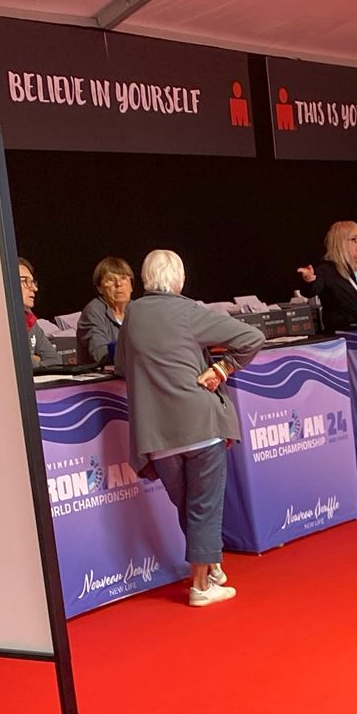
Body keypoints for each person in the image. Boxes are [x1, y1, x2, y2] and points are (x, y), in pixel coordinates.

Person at [115, 250, 264, 608]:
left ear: (146, 279)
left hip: (156, 435)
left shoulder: (133, 313)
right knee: (203, 508)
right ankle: (200, 586)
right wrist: (222, 369)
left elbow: (120, 365)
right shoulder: (188, 311)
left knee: (188, 507)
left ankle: (209, 566)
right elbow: (252, 337)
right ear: (178, 279)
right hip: (200, 425)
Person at [75, 257, 134, 369]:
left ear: (131, 286)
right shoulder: (93, 311)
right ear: (100, 288)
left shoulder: (137, 309)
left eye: (123, 278)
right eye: (110, 280)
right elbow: (100, 354)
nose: (118, 284)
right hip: (100, 377)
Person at [17, 258, 61, 371]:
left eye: (33, 282)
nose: (34, 288)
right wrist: (36, 360)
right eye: (25, 281)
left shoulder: (30, 319)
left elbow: (55, 361)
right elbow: (15, 362)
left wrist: (33, 361)